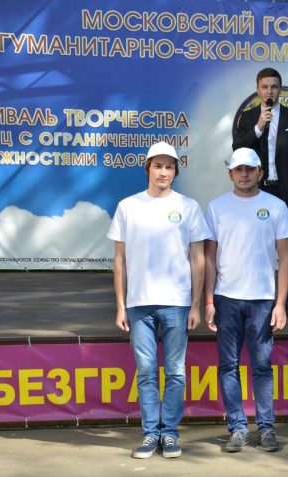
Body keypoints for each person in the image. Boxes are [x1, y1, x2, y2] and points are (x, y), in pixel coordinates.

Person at [107, 141, 210, 459]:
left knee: (175, 371)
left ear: (175, 171)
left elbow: (198, 259)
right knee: (146, 372)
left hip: (177, 303)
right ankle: (151, 433)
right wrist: (121, 305)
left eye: (169, 167)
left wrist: (195, 304)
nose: (163, 172)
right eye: (157, 166)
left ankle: (170, 434)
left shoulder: (189, 207)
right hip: (139, 304)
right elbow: (120, 260)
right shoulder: (128, 206)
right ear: (147, 169)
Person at [203, 148, 288, 454]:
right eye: (238, 170)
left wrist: (281, 303)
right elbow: (209, 258)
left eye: (250, 169)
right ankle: (238, 428)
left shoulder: (276, 206)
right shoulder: (216, 207)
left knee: (262, 366)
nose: (244, 174)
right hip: (226, 298)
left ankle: (266, 428)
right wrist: (208, 301)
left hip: (263, 301)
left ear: (260, 173)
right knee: (228, 365)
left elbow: (286, 257)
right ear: (230, 173)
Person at [232, 67, 288, 320]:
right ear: (258, 90)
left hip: (286, 190)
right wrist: (259, 126)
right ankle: (257, 297)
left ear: (280, 89)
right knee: (256, 244)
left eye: (274, 87)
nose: (269, 91)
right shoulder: (249, 117)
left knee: (287, 246)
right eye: (265, 87)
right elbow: (238, 148)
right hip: (257, 190)